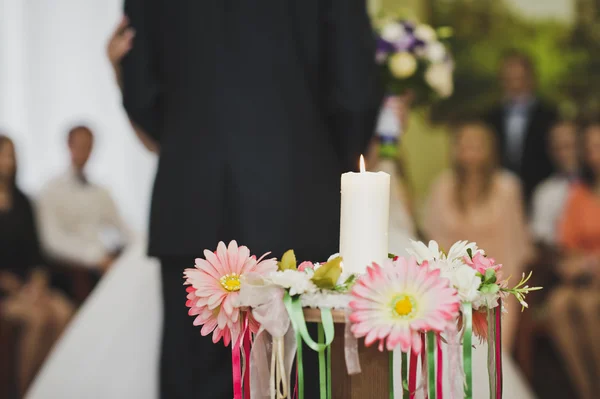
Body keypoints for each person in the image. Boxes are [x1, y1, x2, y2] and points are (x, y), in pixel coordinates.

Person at [119, 2, 381, 398]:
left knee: (196, 379)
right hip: (299, 201)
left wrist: (190, 140)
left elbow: (142, 94)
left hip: (193, 201)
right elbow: (353, 92)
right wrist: (330, 160)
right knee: (300, 379)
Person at [423, 121, 532, 353]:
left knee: (487, 347)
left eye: (475, 145)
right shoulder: (442, 186)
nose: (468, 151)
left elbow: (515, 245)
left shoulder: (507, 187)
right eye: (463, 144)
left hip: (496, 287)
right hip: (449, 286)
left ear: (490, 149)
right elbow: (432, 242)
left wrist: (494, 287)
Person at [0, 134, 73, 396]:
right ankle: (24, 389)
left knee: (63, 312)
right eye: (4, 155)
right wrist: (15, 288)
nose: (9, 161)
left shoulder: (23, 202)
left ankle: (50, 386)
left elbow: (35, 254)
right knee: (39, 319)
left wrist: (38, 283)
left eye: (12, 155)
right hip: (6, 291)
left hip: (28, 286)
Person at [547, 122, 600, 399]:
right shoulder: (579, 194)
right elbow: (567, 245)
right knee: (557, 304)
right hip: (585, 279)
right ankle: (586, 391)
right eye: (590, 147)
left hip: (594, 280)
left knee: (590, 305)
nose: (595, 154)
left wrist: (590, 263)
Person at [37, 126, 131, 274]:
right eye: (79, 145)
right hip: (72, 270)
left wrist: (141, 245)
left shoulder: (100, 191)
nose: (84, 152)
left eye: (88, 146)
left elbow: (123, 227)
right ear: (69, 145)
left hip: (104, 262)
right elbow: (53, 240)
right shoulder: (51, 190)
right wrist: (94, 257)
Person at [485, 50, 558, 206]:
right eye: (509, 79)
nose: (515, 85)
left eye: (519, 78)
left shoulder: (550, 115)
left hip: (539, 194)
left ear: (531, 79)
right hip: (497, 196)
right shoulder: (489, 117)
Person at [531, 121, 579, 245]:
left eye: (569, 146)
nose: (563, 154)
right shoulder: (545, 191)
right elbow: (541, 235)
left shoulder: (594, 186)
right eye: (557, 148)